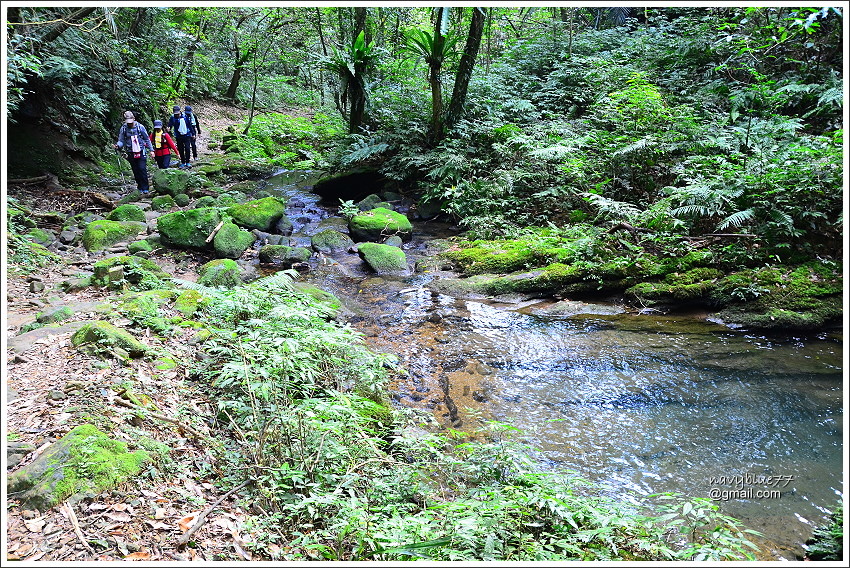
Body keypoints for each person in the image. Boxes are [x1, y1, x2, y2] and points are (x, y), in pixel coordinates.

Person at [114, 110, 153, 194]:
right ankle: (140, 187)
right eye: (128, 122)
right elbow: (121, 141)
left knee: (142, 169)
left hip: (141, 150)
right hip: (131, 152)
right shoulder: (124, 128)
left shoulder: (140, 127)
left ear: (134, 119)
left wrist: (151, 150)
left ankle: (145, 188)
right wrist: (118, 145)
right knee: (135, 170)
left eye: (131, 121)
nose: (129, 123)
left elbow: (147, 139)